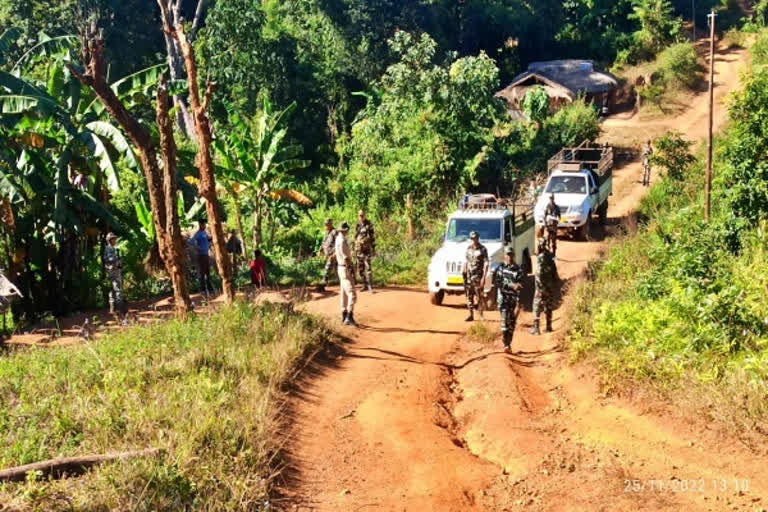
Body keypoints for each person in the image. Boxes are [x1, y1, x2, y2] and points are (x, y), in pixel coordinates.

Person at [493, 247, 524, 352]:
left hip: (513, 300)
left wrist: (519, 304)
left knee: (512, 323)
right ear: (505, 256)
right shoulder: (501, 268)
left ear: (513, 256)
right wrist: (511, 285)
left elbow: (521, 286)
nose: (509, 257)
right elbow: (498, 283)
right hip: (503, 299)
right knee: (505, 320)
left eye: (511, 255)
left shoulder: (518, 270)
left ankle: (508, 343)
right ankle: (505, 343)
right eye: (507, 255)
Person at [530, 237, 558, 335]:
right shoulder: (550, 255)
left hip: (541, 287)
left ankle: (536, 329)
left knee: (536, 305)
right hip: (549, 285)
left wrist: (539, 287)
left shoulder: (541, 257)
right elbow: (554, 270)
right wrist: (554, 282)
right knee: (548, 305)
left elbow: (539, 273)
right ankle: (548, 326)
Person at [463, 231, 489, 322]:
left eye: (475, 238)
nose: (473, 240)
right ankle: (471, 315)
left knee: (479, 296)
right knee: (469, 296)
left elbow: (486, 263)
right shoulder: (468, 248)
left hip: (478, 276)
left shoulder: (483, 249)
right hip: (469, 276)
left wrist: (484, 277)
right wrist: (464, 272)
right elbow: (466, 261)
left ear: (478, 238)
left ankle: (481, 315)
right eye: (472, 238)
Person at [336, 222, 358, 326]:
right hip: (345, 268)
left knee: (344, 293)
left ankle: (344, 314)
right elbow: (346, 258)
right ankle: (349, 316)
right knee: (352, 294)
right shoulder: (342, 241)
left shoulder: (338, 239)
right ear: (345, 230)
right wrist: (352, 269)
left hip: (340, 268)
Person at [103, 232, 126, 315]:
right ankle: (120, 308)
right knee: (117, 289)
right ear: (110, 240)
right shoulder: (109, 249)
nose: (115, 240)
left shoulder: (112, 248)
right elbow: (110, 259)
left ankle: (113, 308)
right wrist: (118, 260)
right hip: (113, 271)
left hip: (114, 270)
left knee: (113, 289)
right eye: (114, 239)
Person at [354, 210, 376, 292]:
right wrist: (354, 249)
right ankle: (364, 285)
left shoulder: (369, 224)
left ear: (365, 215)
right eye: (360, 215)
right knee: (361, 269)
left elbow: (373, 237)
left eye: (362, 215)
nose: (361, 217)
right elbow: (355, 237)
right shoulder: (357, 225)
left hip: (366, 250)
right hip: (359, 250)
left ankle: (370, 286)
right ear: (358, 216)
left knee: (368, 268)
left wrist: (373, 249)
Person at [192, 219, 214, 295]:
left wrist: (211, 240)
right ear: (200, 225)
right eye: (203, 224)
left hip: (206, 254)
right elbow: (191, 241)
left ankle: (210, 288)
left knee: (208, 272)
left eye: (205, 224)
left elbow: (208, 239)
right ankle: (203, 289)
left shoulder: (204, 232)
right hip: (201, 255)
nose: (204, 226)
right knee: (202, 273)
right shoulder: (197, 233)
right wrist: (197, 247)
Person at [317, 218, 336, 292]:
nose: (326, 225)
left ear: (331, 224)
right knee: (339, 269)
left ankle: (322, 285)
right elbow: (323, 243)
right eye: (325, 224)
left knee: (327, 269)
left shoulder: (334, 232)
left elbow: (338, 243)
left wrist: (335, 252)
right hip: (327, 254)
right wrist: (320, 251)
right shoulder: (326, 233)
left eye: (328, 224)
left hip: (333, 254)